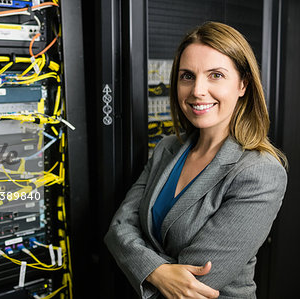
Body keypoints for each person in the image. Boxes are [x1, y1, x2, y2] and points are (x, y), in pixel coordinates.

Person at [104, 21, 288, 299]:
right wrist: (156, 271)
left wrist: (140, 265)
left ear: (243, 84)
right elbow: (119, 228)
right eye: (187, 76)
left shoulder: (260, 172)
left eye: (215, 75)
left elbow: (195, 285)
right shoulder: (167, 148)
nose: (197, 91)